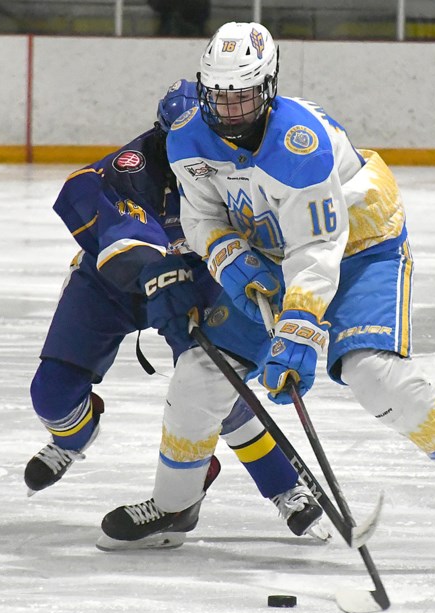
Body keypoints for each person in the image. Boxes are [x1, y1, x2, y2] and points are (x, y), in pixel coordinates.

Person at [99, 23, 435, 566]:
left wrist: (298, 332)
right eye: (220, 97)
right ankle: (175, 506)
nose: (230, 112)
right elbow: (200, 213)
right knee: (201, 373)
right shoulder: (187, 139)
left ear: (269, 86)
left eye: (244, 97)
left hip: (359, 247)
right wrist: (231, 256)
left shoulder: (300, 143)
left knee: (370, 371)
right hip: (275, 251)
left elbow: (318, 247)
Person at [23, 78, 327, 549]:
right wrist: (152, 266)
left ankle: (284, 488)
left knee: (213, 384)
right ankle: (72, 437)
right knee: (51, 393)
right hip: (111, 283)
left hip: (199, 283)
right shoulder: (137, 165)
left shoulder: (233, 168)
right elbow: (81, 189)